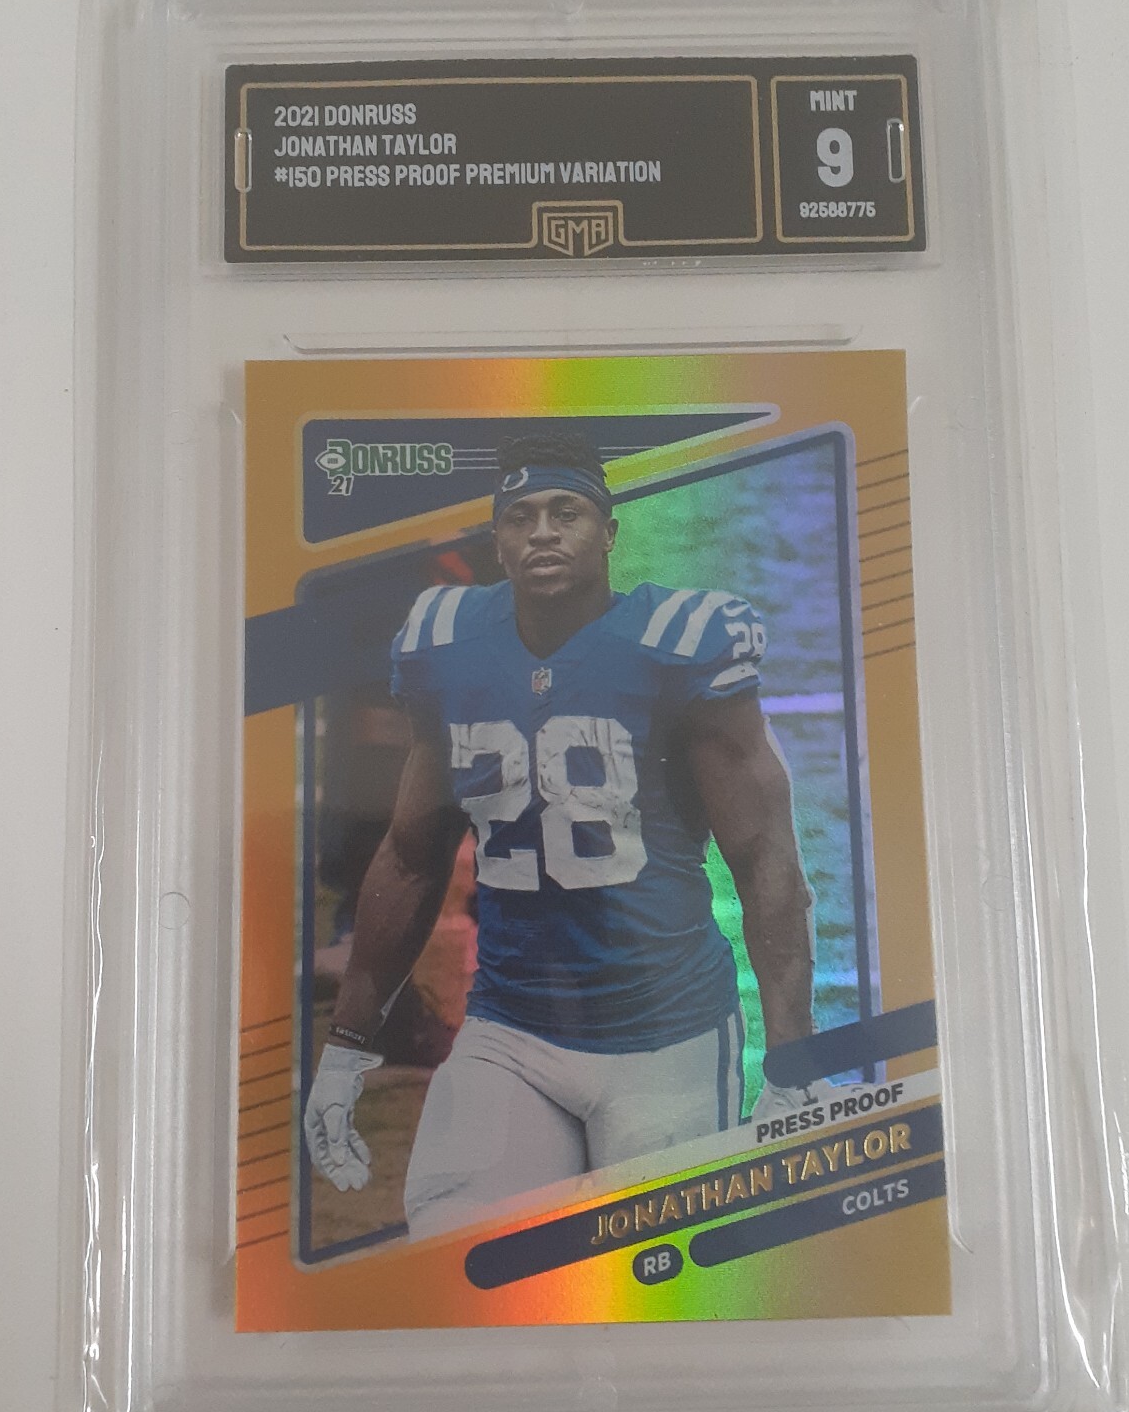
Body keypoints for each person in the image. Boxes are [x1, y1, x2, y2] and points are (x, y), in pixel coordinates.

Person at [305, 430, 818, 1238]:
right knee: (457, 1245)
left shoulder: (677, 645)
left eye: (564, 512)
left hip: (667, 1037)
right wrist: (345, 1046)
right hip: (512, 1026)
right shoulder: (448, 645)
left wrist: (793, 1065)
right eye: (520, 516)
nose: (541, 531)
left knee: (649, 1269)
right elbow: (410, 855)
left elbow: (764, 860)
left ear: (607, 531)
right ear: (496, 540)